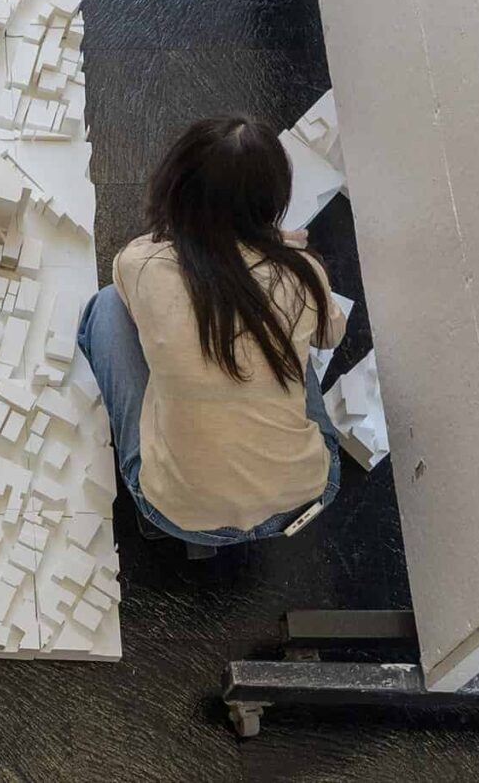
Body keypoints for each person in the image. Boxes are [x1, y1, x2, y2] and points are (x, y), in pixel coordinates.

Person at [76, 114, 346, 550]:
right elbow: (330, 336)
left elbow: (139, 281)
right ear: (272, 203)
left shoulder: (141, 264)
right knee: (290, 332)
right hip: (303, 498)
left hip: (179, 514)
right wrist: (278, 252)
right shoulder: (302, 274)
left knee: (107, 306)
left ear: (175, 190)